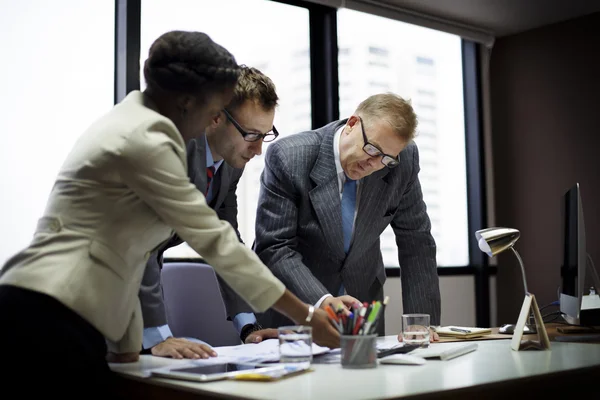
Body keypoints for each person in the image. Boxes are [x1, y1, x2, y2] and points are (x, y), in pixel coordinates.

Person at [0, 31, 338, 397]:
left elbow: (129, 249)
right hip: (50, 309)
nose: (213, 121)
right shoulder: (148, 139)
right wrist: (306, 316)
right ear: (188, 102)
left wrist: (128, 347)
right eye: (214, 110)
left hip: (67, 310)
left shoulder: (139, 120)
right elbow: (214, 240)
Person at [253, 92, 442, 336]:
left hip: (363, 308)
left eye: (387, 159)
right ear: (352, 124)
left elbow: (417, 242)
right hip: (298, 307)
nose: (374, 164)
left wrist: (421, 323)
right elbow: (275, 247)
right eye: (372, 149)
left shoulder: (403, 160)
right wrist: (322, 300)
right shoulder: (290, 157)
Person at [140, 66, 282, 359]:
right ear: (216, 117)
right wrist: (157, 335)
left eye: (265, 135)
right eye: (251, 135)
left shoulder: (230, 165)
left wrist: (248, 327)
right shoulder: (169, 149)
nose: (257, 151)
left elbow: (225, 244)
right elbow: (140, 244)